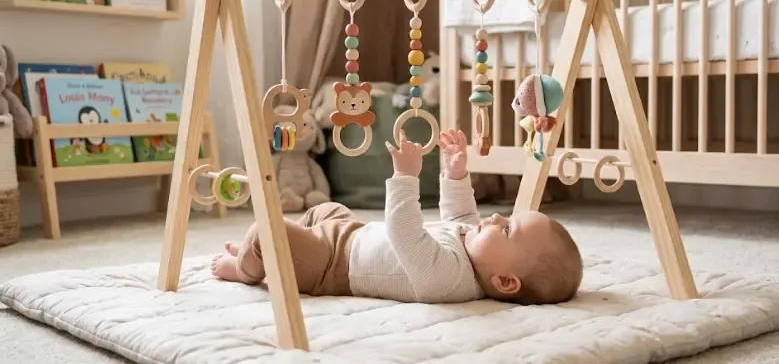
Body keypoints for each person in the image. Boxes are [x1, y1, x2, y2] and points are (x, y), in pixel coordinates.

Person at [211, 128, 583, 305]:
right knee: (326, 211)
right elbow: (461, 214)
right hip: (350, 232)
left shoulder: (449, 281)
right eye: (507, 217)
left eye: (507, 230)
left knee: (267, 230)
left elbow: (405, 232)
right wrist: (455, 174)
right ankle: (271, 254)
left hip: (330, 267)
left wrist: (405, 176)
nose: (498, 217)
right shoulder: (474, 246)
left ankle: (245, 270)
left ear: (504, 281)